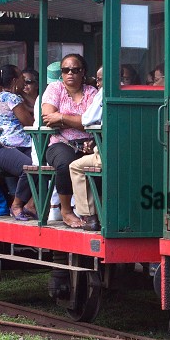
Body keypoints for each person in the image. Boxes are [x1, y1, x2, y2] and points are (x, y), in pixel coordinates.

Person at [42, 56, 98, 229]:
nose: (70, 74)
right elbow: (48, 117)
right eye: (66, 70)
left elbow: (91, 122)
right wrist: (79, 121)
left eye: (75, 70)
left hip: (88, 143)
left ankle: (94, 212)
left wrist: (62, 117)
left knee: (99, 164)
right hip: (60, 142)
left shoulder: (91, 92)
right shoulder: (54, 88)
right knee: (66, 163)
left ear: (83, 72)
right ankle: (66, 211)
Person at [0, 64, 35, 221]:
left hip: (19, 146)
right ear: (15, 80)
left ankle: (31, 205)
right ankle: (16, 206)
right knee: (30, 168)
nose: (25, 83)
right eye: (23, 79)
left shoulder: (0, 97)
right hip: (4, 148)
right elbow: (29, 122)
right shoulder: (12, 98)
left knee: (42, 165)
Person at [68, 65, 104, 231]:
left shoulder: (104, 93)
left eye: (100, 79)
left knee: (75, 166)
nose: (98, 83)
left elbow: (87, 119)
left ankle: (89, 217)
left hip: (107, 154)